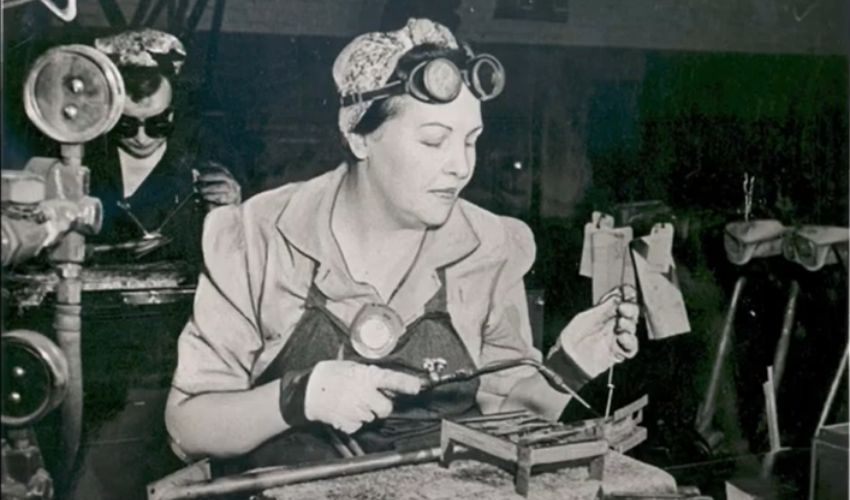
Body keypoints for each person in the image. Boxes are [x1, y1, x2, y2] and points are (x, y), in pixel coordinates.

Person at [164, 18, 640, 471]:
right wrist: (299, 396)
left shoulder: (489, 246)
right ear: (359, 138)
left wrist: (568, 366)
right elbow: (189, 427)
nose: (460, 167)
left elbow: (507, 420)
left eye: (471, 140)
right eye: (434, 142)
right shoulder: (259, 236)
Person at [85, 29, 242, 263]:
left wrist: (233, 211)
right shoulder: (81, 159)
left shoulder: (208, 156)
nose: (141, 138)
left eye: (157, 124)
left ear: (173, 112)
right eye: (126, 125)